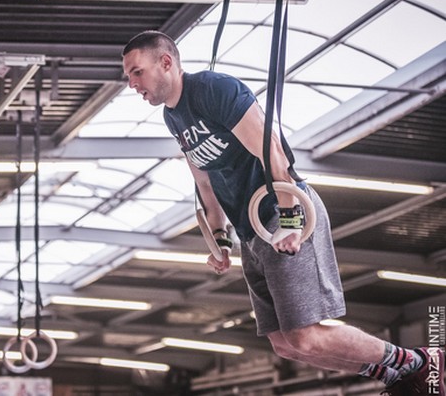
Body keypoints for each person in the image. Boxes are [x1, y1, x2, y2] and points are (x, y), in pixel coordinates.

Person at [121, 30, 444, 395]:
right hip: (250, 231)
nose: (132, 84)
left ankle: (419, 362)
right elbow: (204, 180)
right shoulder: (172, 116)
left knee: (303, 336)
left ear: (165, 62)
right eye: (129, 76)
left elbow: (271, 150)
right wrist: (220, 240)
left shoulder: (215, 90)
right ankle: (395, 375)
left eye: (136, 72)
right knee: (283, 343)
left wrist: (289, 220)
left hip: (279, 211)